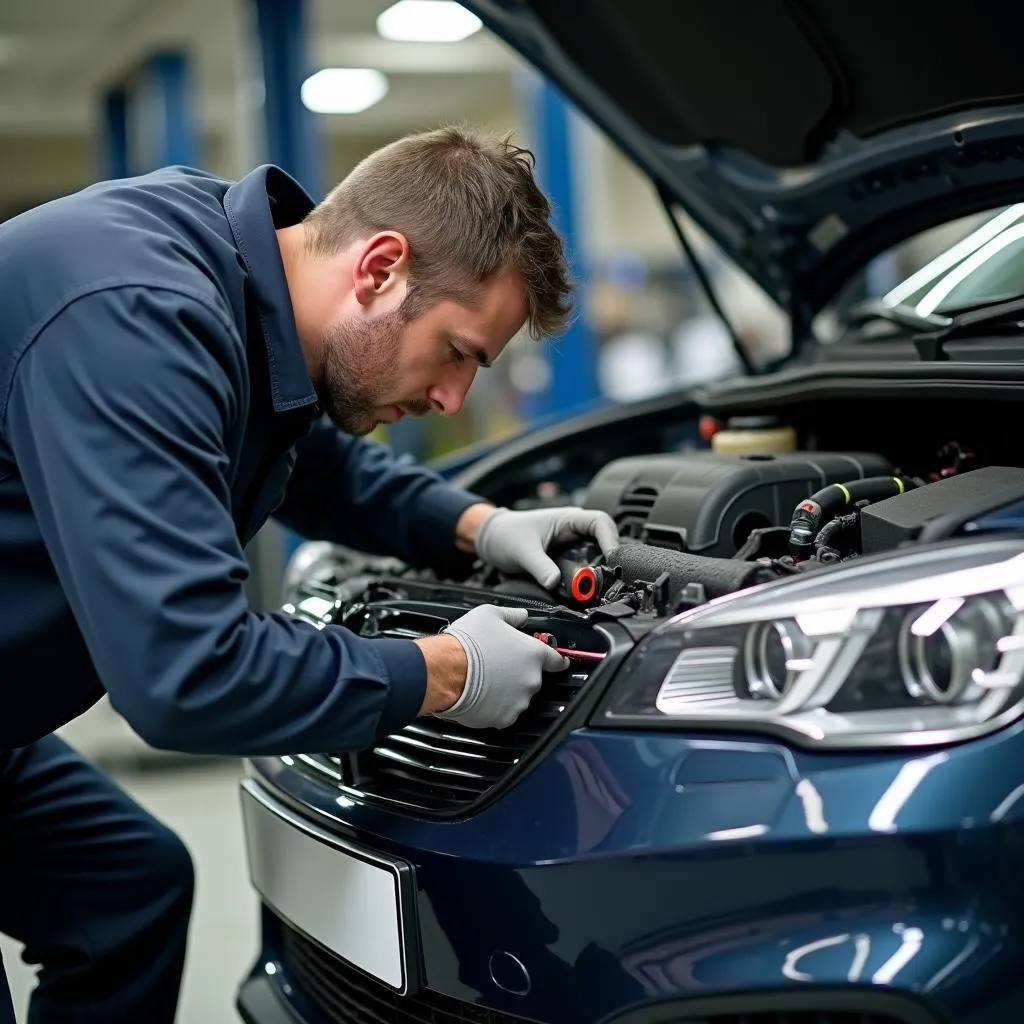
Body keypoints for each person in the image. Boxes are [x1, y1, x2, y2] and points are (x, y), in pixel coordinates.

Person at [0, 126, 619, 1023]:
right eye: (458, 353)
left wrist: (483, 527)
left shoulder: (246, 282)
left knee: (127, 888)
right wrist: (446, 671)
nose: (452, 400)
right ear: (380, 269)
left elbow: (321, 466)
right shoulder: (138, 312)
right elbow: (188, 673)